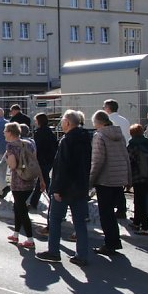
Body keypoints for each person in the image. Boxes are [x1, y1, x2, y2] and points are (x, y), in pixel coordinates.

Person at [35, 109, 93, 267]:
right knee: (80, 222)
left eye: (62, 121)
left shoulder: (67, 140)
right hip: (81, 186)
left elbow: (63, 167)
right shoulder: (86, 137)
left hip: (65, 188)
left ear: (68, 122)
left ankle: (53, 251)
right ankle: (82, 254)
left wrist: (57, 189)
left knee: (54, 219)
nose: (61, 123)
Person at [89, 110, 132, 256]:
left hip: (105, 179)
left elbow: (97, 160)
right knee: (114, 214)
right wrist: (128, 177)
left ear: (98, 122)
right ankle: (115, 241)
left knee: (106, 214)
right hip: (119, 177)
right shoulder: (119, 135)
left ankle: (110, 243)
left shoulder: (99, 136)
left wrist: (91, 180)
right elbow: (126, 156)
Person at [4, 122, 38, 248]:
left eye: (5, 131)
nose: (4, 133)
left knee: (22, 210)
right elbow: (34, 159)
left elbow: (12, 165)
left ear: (10, 133)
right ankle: (16, 234)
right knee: (18, 207)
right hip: (30, 179)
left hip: (18, 182)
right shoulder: (29, 143)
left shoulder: (10, 146)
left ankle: (30, 239)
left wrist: (8, 159)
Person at [103, 99, 130, 220]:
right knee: (119, 185)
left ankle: (116, 208)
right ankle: (121, 208)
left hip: (111, 155)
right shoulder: (125, 120)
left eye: (104, 107)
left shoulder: (109, 121)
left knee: (111, 184)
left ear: (108, 108)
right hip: (124, 154)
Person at [29, 113, 57, 211]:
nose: (35, 122)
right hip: (50, 159)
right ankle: (34, 202)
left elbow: (37, 147)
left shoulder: (39, 132)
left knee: (44, 181)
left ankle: (55, 203)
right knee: (42, 180)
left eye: (36, 120)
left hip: (42, 159)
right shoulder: (50, 131)